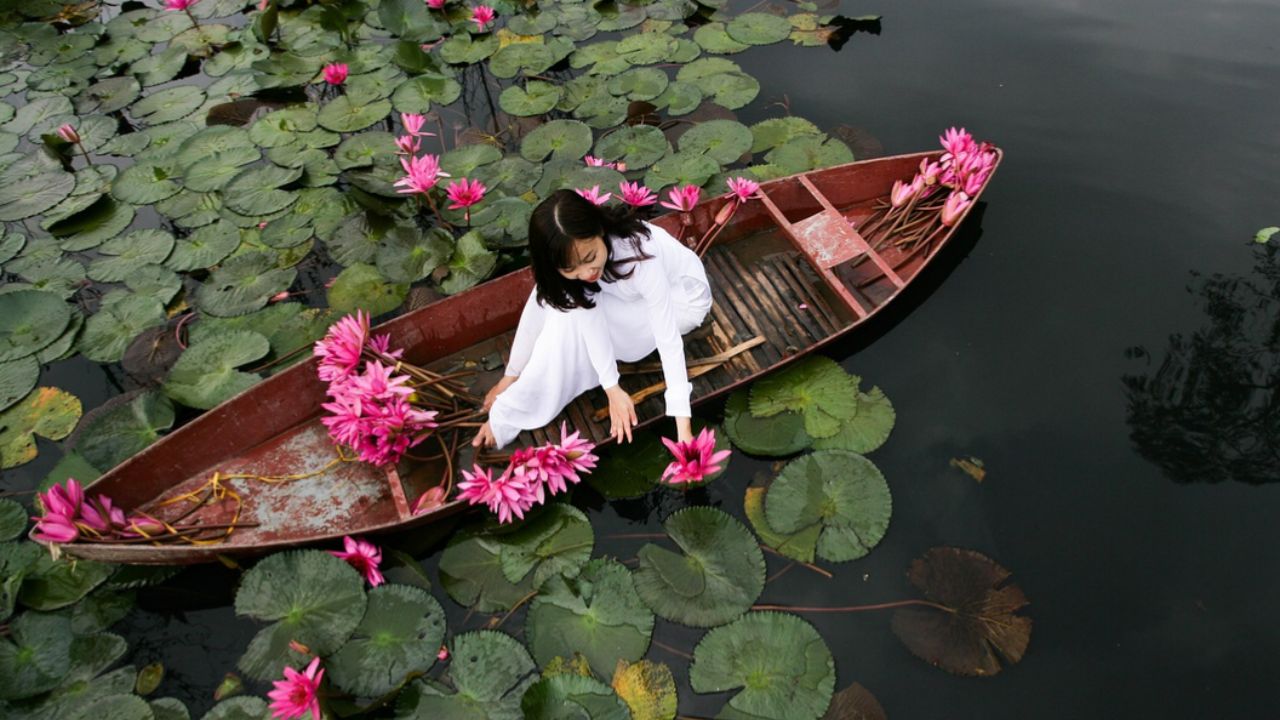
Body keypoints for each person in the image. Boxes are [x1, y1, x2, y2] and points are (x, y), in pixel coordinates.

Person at [471, 189, 713, 449]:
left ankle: (513, 411)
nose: (586, 272)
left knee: (567, 321)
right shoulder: (576, 272)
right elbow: (588, 316)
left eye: (590, 258)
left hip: (682, 301)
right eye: (570, 268)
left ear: (599, 230)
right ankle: (515, 375)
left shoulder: (641, 256)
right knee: (551, 293)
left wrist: (683, 429)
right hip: (626, 299)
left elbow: (668, 339)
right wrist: (612, 389)